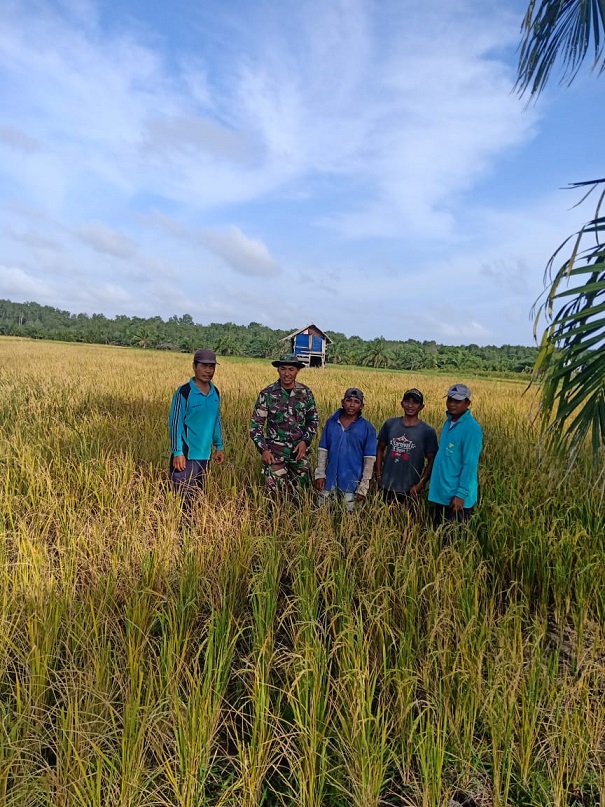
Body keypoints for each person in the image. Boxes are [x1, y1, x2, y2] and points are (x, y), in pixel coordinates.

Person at [250, 354, 319, 497]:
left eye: (291, 369)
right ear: (278, 370)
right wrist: (263, 450)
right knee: (274, 497)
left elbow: (313, 420)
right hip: (275, 454)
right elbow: (256, 427)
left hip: (298, 454)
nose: (287, 373)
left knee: (303, 496)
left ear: (297, 371)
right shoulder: (267, 394)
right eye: (283, 369)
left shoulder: (305, 393)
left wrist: (305, 442)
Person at [169, 348, 224, 508]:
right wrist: (177, 452)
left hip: (204, 456)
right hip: (186, 456)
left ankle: (192, 531)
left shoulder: (215, 393)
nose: (208, 371)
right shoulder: (184, 392)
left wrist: (219, 446)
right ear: (194, 366)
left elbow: (216, 420)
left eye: (211, 367)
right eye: (204, 366)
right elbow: (175, 423)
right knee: (182, 501)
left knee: (196, 498)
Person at [313, 388, 377, 512]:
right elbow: (323, 450)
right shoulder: (332, 422)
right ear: (342, 402)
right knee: (321, 513)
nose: (352, 405)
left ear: (362, 406)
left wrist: (363, 487)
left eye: (356, 401)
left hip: (352, 484)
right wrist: (320, 474)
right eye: (349, 400)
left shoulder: (367, 428)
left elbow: (369, 460)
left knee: (349, 519)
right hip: (329, 481)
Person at [428, 383, 483, 525]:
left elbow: (470, 464)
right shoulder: (449, 422)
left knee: (452, 541)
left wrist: (460, 494)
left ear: (467, 403)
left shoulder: (471, 428)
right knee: (439, 537)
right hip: (444, 493)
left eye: (457, 401)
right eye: (450, 400)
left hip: (457, 498)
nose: (452, 404)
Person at [375, 388, 438, 504]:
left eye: (415, 402)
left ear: (421, 407)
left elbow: (432, 460)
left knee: (407, 521)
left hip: (410, 489)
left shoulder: (427, 431)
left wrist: (420, 484)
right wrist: (378, 475)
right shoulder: (390, 424)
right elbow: (379, 448)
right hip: (386, 485)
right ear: (402, 404)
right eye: (407, 401)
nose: (410, 405)